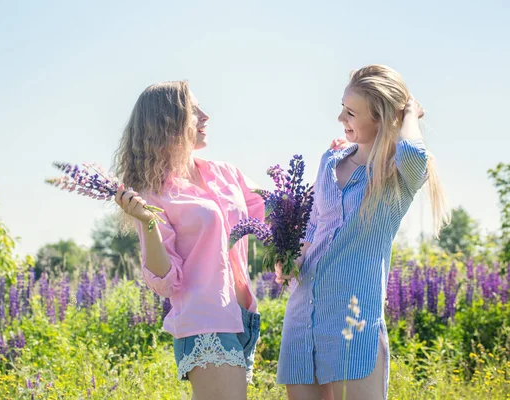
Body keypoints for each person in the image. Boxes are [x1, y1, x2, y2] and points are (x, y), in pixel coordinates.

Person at [275, 65, 449, 400]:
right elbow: (314, 225)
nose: (341, 117)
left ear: (381, 118)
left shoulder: (396, 176)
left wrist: (408, 112)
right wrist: (292, 259)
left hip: (353, 324)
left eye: (352, 112)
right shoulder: (330, 160)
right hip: (302, 317)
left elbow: (414, 152)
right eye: (343, 107)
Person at [113, 81, 263, 400]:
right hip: (205, 321)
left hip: (245, 317)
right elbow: (166, 281)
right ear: (169, 121)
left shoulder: (225, 173)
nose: (205, 116)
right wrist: (148, 223)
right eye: (194, 110)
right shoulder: (154, 193)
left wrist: (341, 164)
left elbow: (274, 213)